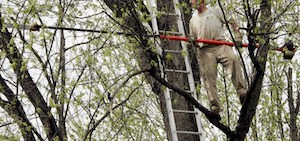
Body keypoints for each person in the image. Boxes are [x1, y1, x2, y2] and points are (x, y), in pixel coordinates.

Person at [189, 0, 247, 120]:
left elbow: (232, 21)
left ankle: (242, 92)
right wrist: (194, 42)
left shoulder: (215, 10)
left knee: (233, 61)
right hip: (205, 50)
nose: (190, 2)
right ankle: (215, 109)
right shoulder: (193, 21)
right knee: (208, 77)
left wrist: (237, 36)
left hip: (221, 44)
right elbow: (194, 40)